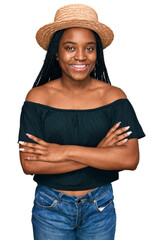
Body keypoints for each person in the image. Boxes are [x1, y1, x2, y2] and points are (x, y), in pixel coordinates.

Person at [18, 4, 145, 240]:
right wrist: (100, 153)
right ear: (56, 52)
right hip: (50, 208)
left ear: (97, 53)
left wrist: (63, 152)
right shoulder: (37, 98)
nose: (80, 56)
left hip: (99, 207)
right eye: (70, 48)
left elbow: (129, 159)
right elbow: (30, 165)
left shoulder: (114, 97)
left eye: (89, 48)